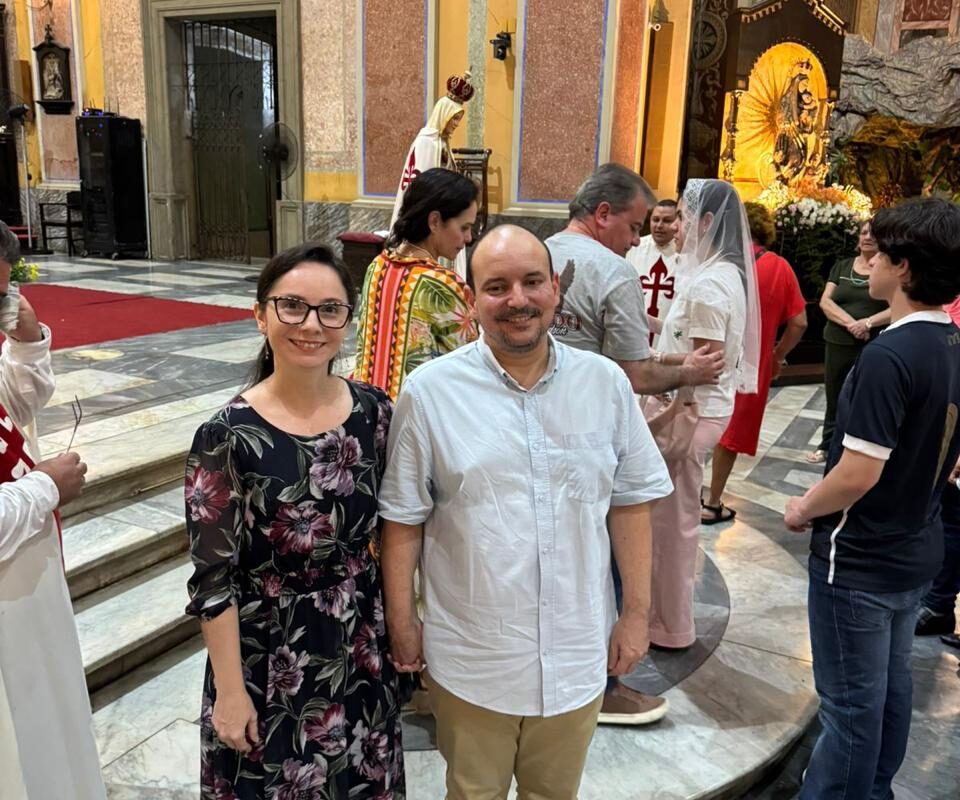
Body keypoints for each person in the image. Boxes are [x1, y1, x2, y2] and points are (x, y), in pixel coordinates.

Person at [379, 225, 673, 799]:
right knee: (473, 792)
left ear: (556, 288)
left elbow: (631, 503)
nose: (518, 300)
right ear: (472, 300)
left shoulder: (605, 384)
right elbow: (403, 517)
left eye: (532, 281)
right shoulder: (431, 392)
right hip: (475, 655)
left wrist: (636, 614)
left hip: (577, 648)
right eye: (497, 287)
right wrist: (403, 621)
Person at [184, 243, 406, 799]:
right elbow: (213, 579)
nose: (311, 325)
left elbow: (396, 529)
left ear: (347, 321)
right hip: (269, 656)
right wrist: (230, 692)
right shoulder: (226, 435)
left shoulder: (373, 413)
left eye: (330, 309)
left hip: (359, 645)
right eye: (292, 306)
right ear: (261, 315)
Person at [784, 198, 960, 799]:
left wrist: (803, 507)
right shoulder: (952, 342)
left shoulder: (889, 356)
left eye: (879, 254)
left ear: (903, 267)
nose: (870, 264)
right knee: (890, 688)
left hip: (860, 557)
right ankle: (875, 789)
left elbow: (856, 474)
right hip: (917, 545)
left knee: (850, 708)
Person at [545, 162, 723, 724]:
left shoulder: (536, 252)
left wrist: (667, 357)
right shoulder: (615, 271)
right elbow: (632, 373)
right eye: (634, 225)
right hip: (588, 434)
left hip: (532, 429)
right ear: (603, 214)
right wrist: (687, 372)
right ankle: (606, 682)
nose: (637, 238)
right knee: (609, 557)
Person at [0, 220, 105, 798]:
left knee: (49, 717)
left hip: (29, 577)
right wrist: (43, 487)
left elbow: (17, 406)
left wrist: (26, 339)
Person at [647, 178, 760, 650]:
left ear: (708, 221)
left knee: (671, 525)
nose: (677, 226)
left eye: (684, 217)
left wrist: (649, 362)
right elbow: (688, 340)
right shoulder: (721, 272)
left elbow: (704, 364)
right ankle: (659, 617)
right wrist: (649, 325)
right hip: (697, 410)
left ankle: (668, 626)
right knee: (667, 519)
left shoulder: (712, 283)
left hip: (690, 414)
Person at [702, 202, 807, 523]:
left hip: (707, 354)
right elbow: (800, 322)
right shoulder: (778, 267)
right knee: (729, 434)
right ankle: (712, 502)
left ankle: (683, 492)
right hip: (750, 364)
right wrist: (777, 356)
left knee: (695, 421)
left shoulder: (714, 260)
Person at [355, 168, 479, 400]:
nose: (468, 238)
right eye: (464, 227)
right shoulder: (442, 283)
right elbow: (469, 361)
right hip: (412, 411)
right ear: (435, 221)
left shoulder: (377, 265)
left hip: (367, 403)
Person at [807, 220, 891, 463]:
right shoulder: (842, 266)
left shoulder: (887, 270)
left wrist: (868, 323)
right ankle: (827, 444)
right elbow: (826, 301)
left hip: (873, 342)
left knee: (865, 396)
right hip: (839, 341)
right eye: (863, 233)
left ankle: (855, 449)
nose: (867, 237)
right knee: (834, 394)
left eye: (873, 234)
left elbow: (896, 305)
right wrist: (852, 324)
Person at [391, 70, 475, 279]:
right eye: (454, 119)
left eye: (458, 119)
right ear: (443, 115)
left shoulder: (441, 143)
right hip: (435, 219)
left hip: (448, 212)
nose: (456, 124)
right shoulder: (427, 143)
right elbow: (425, 186)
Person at [626, 198, 680, 344]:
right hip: (634, 332)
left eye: (667, 221)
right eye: (655, 220)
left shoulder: (684, 252)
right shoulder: (634, 247)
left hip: (671, 336)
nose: (659, 226)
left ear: (677, 223)